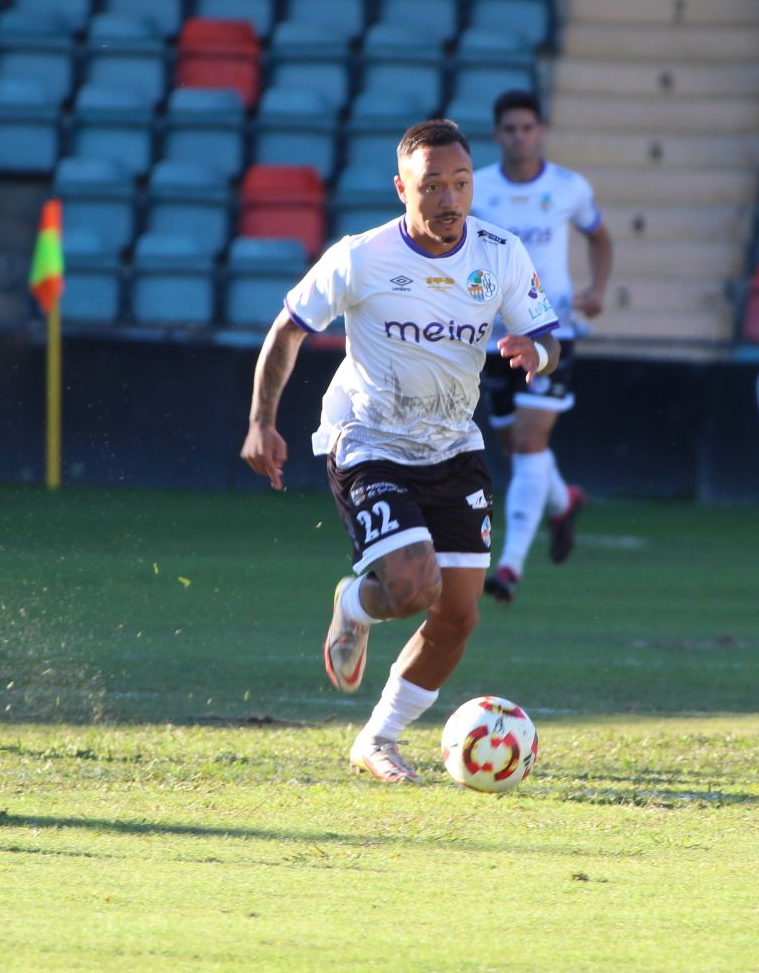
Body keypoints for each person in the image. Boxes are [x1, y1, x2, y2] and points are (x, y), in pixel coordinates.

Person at [239, 119, 560, 783]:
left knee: (459, 615)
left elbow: (552, 337)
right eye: (433, 185)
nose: (450, 199)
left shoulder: (500, 255)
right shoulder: (361, 257)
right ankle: (356, 604)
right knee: (413, 587)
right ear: (401, 188)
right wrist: (260, 422)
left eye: (462, 183)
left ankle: (377, 739)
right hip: (369, 440)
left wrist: (540, 352)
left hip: (452, 446)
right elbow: (288, 329)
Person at [471, 89, 614, 605]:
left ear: (541, 131)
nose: (519, 136)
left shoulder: (569, 188)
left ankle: (510, 566)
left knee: (529, 443)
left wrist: (596, 290)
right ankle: (564, 498)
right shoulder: (478, 189)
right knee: (514, 445)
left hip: (552, 332)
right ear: (497, 135)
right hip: (491, 337)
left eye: (527, 127)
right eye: (510, 129)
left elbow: (600, 237)